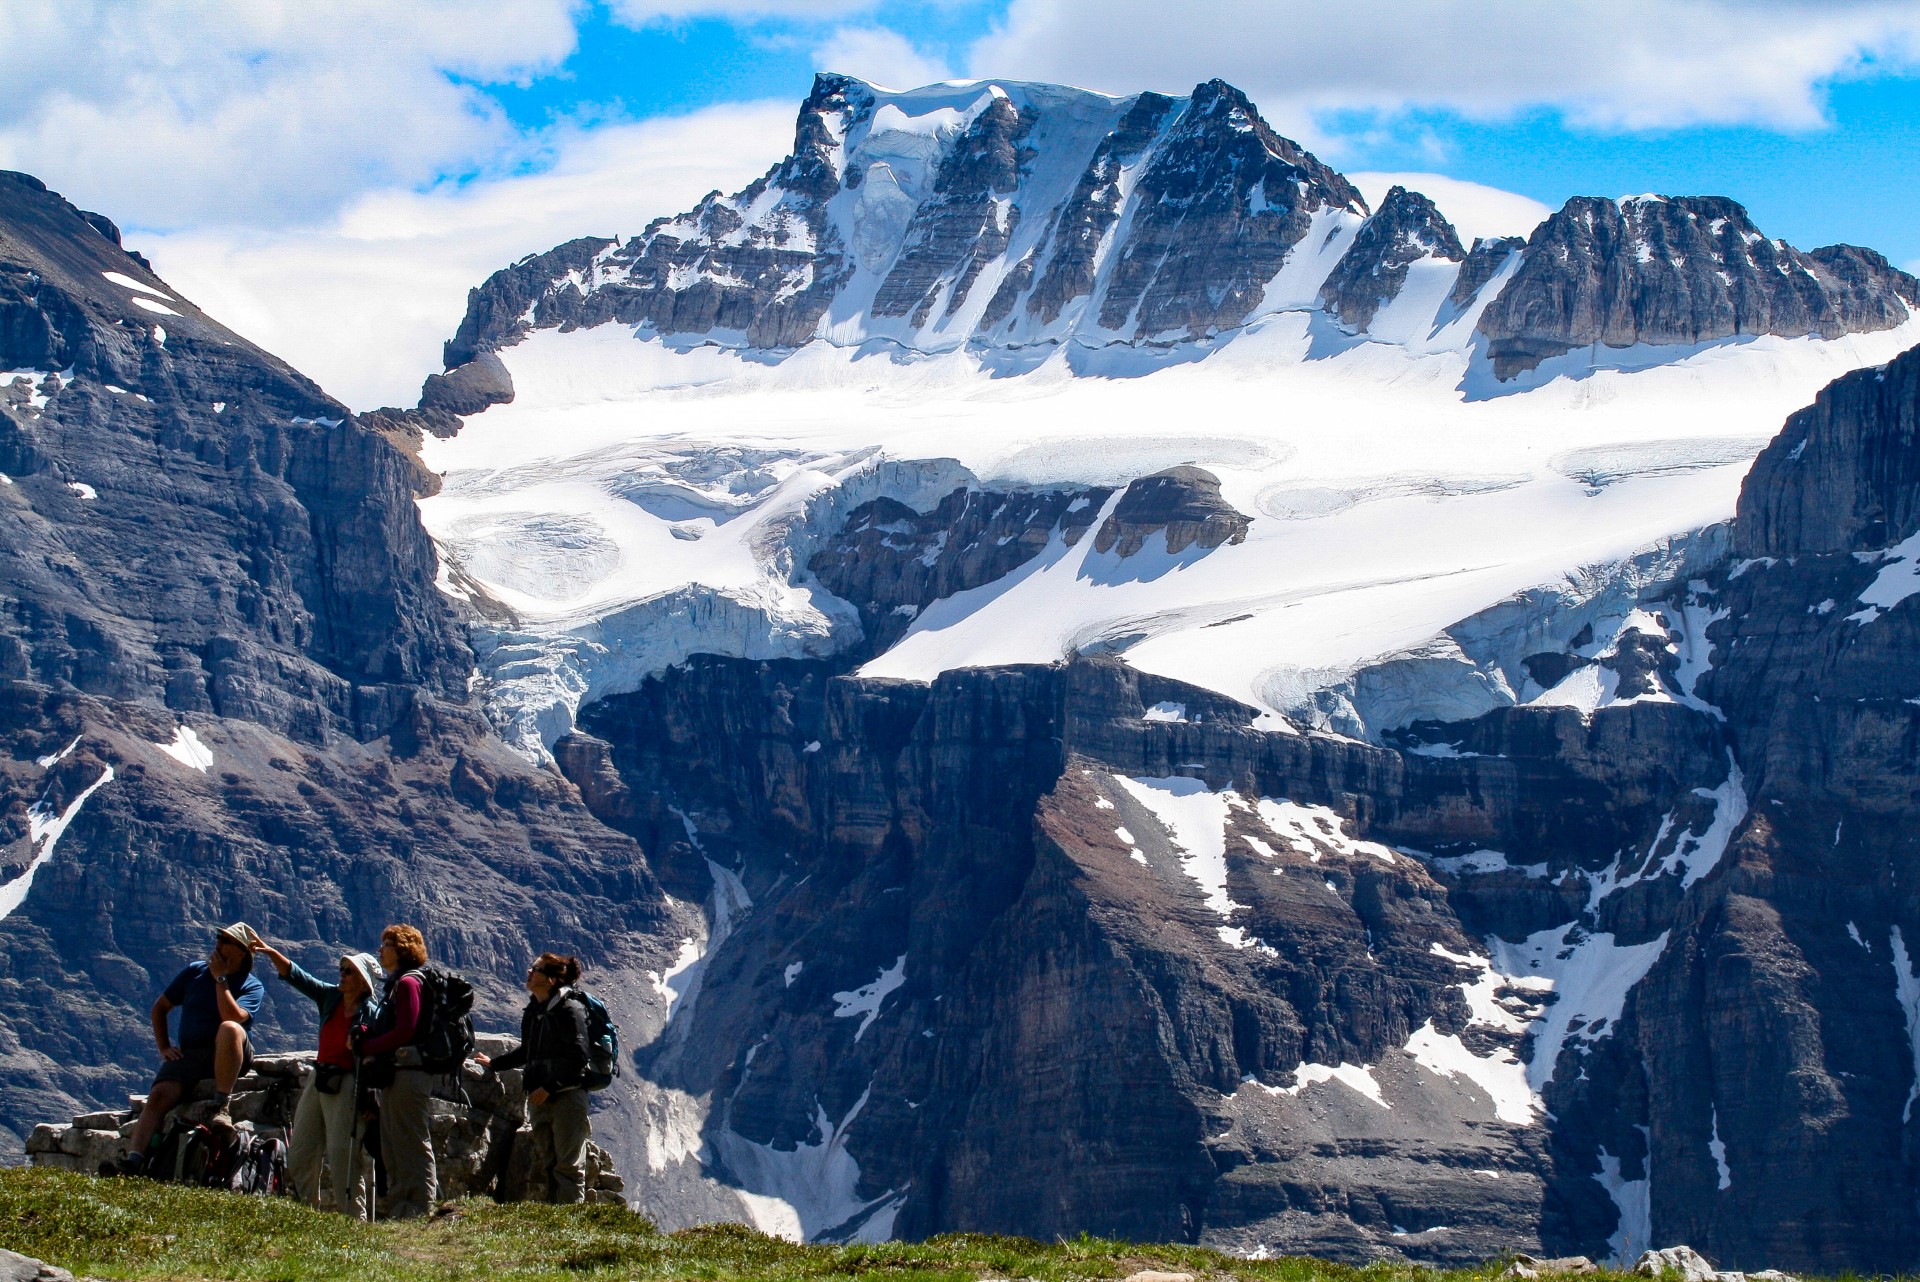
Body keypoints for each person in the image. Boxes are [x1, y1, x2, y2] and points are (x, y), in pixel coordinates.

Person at [116, 922, 266, 1174]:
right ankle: (134, 1160)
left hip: (230, 1052)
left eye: (225, 941)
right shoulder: (195, 972)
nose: (218, 944)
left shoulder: (251, 985)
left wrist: (220, 979)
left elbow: (233, 1015)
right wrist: (164, 1046)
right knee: (160, 1095)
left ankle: (221, 1105)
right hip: (192, 1054)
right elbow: (160, 1008)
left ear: (242, 952)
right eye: (218, 938)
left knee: (228, 1028)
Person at [254, 937, 380, 1216]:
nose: (342, 975)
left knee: (342, 1157)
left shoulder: (372, 1014)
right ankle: (307, 1213)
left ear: (362, 982)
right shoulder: (330, 998)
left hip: (347, 1084)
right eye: (342, 969)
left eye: (349, 972)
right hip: (319, 1077)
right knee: (300, 1152)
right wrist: (273, 953)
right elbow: (299, 977)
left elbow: (381, 1051)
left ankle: (353, 1221)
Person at [475, 953, 593, 1204]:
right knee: (549, 1164)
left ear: (551, 979)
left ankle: (573, 1230)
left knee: (568, 1167)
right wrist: (494, 1064)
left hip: (566, 1096)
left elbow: (579, 1056)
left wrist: (549, 1088)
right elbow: (527, 1051)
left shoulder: (570, 1008)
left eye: (536, 969)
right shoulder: (534, 1011)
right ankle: (556, 1225)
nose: (529, 972)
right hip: (540, 1097)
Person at [354, 924, 437, 1218]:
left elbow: (406, 1030)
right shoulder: (397, 984)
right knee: (392, 1141)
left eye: (387, 944)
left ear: (402, 948)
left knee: (410, 1140)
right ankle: (402, 1205)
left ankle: (420, 1206)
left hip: (409, 1070)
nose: (381, 950)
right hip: (398, 1071)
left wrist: (370, 1045)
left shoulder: (408, 983)